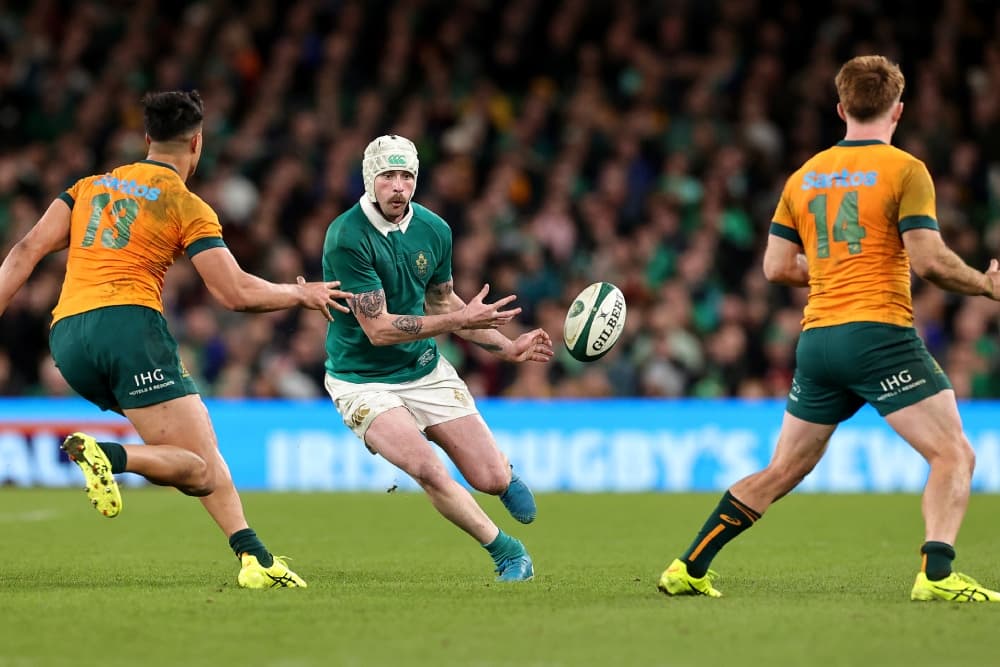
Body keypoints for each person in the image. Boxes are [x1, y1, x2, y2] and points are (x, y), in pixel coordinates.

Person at [658, 55, 1000, 602]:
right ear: (899, 110)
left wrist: (832, 268)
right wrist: (985, 285)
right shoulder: (906, 170)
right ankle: (937, 576)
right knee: (953, 453)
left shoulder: (805, 175)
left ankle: (689, 565)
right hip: (879, 334)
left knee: (783, 469)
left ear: (841, 108)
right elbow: (931, 261)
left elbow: (775, 267)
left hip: (818, 341)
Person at [0, 90, 353, 589]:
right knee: (200, 468)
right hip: (128, 327)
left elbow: (26, 249)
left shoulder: (89, 187)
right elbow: (234, 294)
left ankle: (256, 557)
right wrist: (300, 294)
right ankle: (112, 456)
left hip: (68, 340)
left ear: (147, 139)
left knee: (200, 448)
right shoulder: (186, 205)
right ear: (198, 143)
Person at [321, 134, 553, 581]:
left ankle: (503, 477)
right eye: (387, 176)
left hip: (424, 370)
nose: (398, 187)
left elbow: (443, 304)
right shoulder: (346, 236)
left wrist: (507, 347)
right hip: (361, 378)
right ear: (370, 179)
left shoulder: (435, 230)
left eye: (406, 176)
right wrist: (459, 322)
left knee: (488, 479)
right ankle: (507, 552)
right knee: (426, 467)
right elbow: (380, 328)